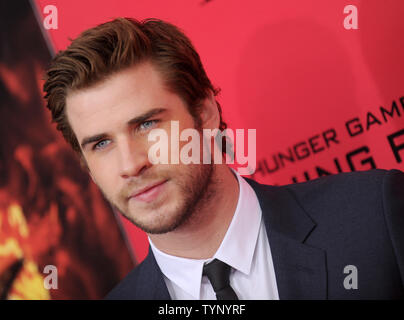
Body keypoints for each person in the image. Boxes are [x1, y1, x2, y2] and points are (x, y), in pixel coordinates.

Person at [43, 17, 404, 300]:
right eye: (101, 144)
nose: (130, 164)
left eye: (147, 124)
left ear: (206, 114)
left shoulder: (375, 218)